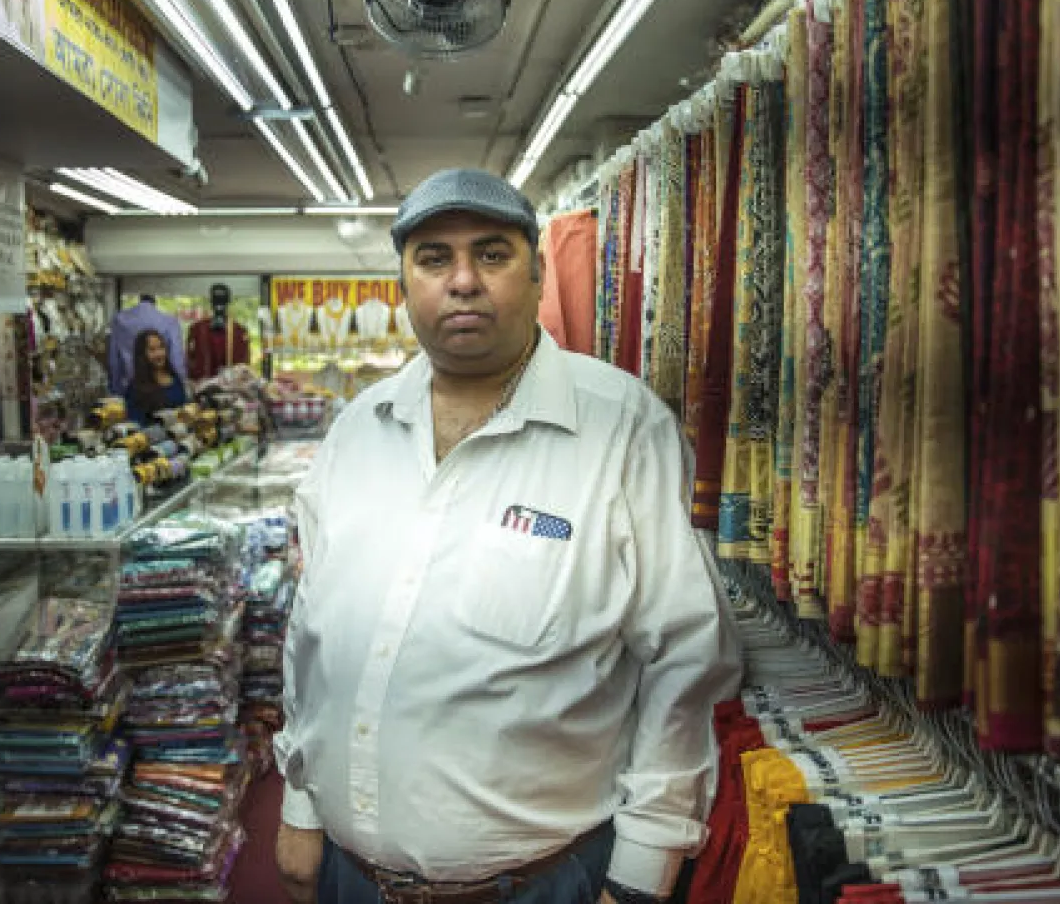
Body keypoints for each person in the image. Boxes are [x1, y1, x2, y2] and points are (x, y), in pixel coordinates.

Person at [273, 168, 742, 904]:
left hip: (543, 884)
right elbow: (312, 636)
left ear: (537, 273)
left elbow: (683, 659)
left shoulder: (621, 425)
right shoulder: (358, 428)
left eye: (491, 254)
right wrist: (300, 803)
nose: (463, 281)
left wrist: (645, 869)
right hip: (348, 876)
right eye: (434, 259)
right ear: (404, 282)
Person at [124, 328, 188, 424]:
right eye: (152, 350)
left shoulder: (175, 378)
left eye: (161, 347)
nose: (159, 354)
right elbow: (135, 425)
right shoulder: (136, 388)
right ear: (142, 355)